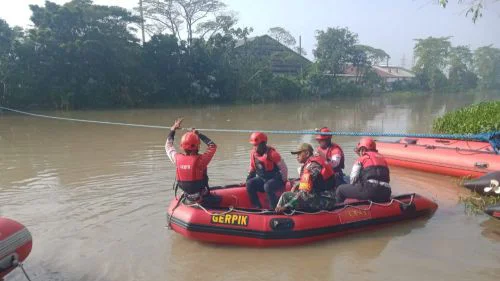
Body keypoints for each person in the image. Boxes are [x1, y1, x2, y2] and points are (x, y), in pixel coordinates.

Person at [165, 118, 217, 203]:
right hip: (201, 195)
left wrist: (173, 129)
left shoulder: (176, 158)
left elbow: (168, 145)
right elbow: (213, 146)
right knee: (219, 200)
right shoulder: (201, 160)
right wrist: (199, 134)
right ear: (198, 146)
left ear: (182, 146)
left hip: (186, 193)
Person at [275, 143, 336, 213]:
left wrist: (286, 206)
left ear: (307, 153)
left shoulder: (313, 165)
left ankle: (280, 212)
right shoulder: (311, 163)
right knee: (288, 194)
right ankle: (280, 211)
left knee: (286, 196)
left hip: (326, 200)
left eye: (299, 154)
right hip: (319, 195)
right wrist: (297, 185)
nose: (297, 157)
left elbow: (304, 193)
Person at [335, 137, 392, 203]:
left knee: (340, 190)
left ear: (363, 149)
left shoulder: (361, 159)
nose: (359, 153)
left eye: (360, 150)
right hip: (386, 192)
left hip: (370, 190)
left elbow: (353, 179)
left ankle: (338, 210)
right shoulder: (383, 159)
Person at [246, 132, 288, 209]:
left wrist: (284, 181)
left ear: (263, 144)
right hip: (263, 179)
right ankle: (257, 206)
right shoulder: (253, 153)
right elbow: (252, 168)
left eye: (256, 145)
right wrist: (248, 179)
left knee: (268, 186)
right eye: (253, 145)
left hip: (276, 180)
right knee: (249, 183)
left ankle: (274, 208)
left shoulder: (273, 154)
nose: (254, 147)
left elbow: (284, 168)